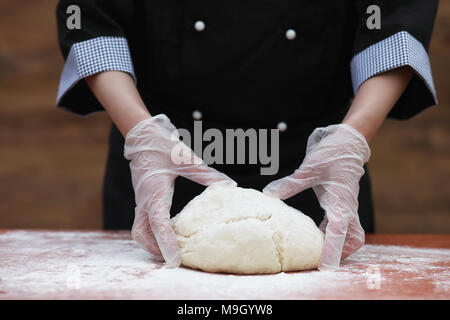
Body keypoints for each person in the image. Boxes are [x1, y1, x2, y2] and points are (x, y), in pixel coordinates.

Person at [56, 0, 438, 269]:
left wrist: (352, 140)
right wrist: (140, 133)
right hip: (164, 168)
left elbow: (394, 18)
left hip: (315, 173)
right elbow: (89, 17)